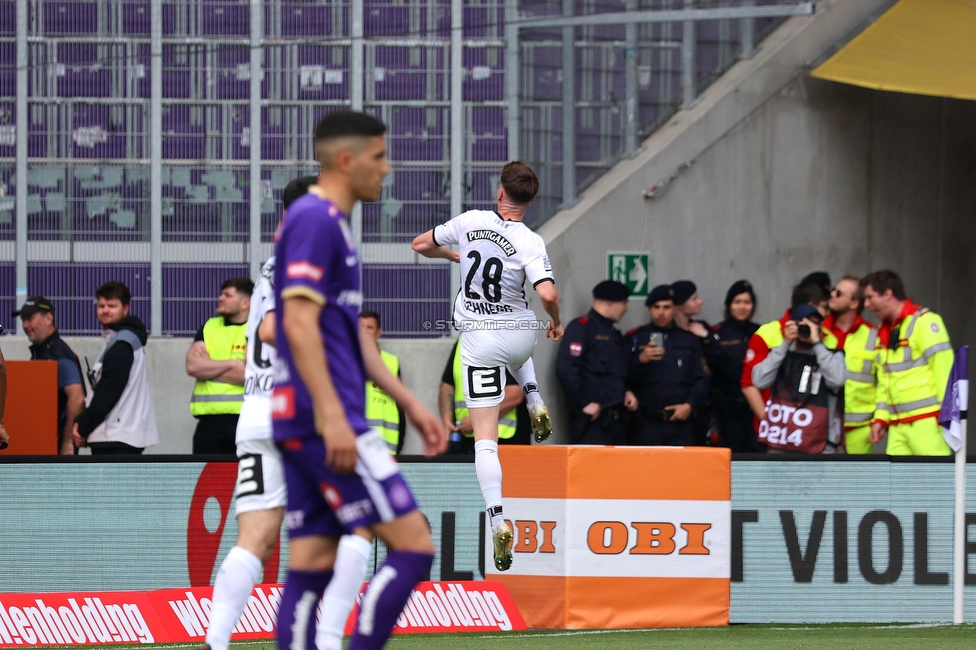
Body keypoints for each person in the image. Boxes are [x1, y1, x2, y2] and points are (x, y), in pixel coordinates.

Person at [271, 110, 446, 650]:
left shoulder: (333, 225)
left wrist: (410, 404)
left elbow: (348, 337)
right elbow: (294, 323)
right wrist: (332, 416)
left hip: (308, 418)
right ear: (346, 160)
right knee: (414, 545)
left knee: (313, 559)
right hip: (325, 420)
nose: (387, 169)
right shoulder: (315, 220)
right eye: (379, 156)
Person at [412, 160, 563, 573]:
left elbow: (419, 245)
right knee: (519, 327)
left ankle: (498, 518)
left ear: (500, 193)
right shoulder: (531, 240)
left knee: (485, 440)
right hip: (520, 335)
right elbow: (546, 292)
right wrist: (556, 319)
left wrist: (453, 254)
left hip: (478, 341)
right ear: (531, 200)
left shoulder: (471, 220)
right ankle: (533, 396)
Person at [862, 269, 953, 456]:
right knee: (897, 484)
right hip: (897, 426)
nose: (867, 305)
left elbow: (945, 369)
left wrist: (947, 416)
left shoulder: (925, 322)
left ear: (887, 294)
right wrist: (881, 418)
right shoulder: (885, 331)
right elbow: (884, 381)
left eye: (870, 298)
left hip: (928, 423)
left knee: (934, 481)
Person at [740, 279, 837, 434]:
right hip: (776, 431)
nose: (827, 313)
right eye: (825, 307)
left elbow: (835, 383)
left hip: (814, 433)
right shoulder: (768, 333)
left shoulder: (828, 338)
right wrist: (772, 426)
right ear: (811, 306)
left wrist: (817, 343)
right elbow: (749, 383)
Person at [72, 281, 158, 455]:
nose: (105, 310)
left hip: (115, 437)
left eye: (112, 306)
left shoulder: (122, 344)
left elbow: (108, 392)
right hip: (122, 435)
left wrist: (83, 426)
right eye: (101, 305)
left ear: (126, 309)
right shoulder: (123, 340)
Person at [751, 303, 846, 453]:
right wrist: (784, 344)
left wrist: (817, 344)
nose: (808, 328)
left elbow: (837, 380)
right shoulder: (781, 354)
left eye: (814, 323)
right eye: (803, 323)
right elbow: (759, 381)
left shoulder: (832, 356)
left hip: (819, 445)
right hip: (782, 443)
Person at [556, 280, 638, 446]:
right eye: (624, 303)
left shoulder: (614, 334)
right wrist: (583, 404)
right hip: (593, 423)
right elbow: (566, 368)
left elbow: (617, 372)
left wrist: (627, 392)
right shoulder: (582, 328)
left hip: (617, 422)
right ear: (609, 302)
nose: (625, 309)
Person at [627, 284, 709, 446]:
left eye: (667, 307)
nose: (661, 313)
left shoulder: (688, 340)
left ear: (675, 309)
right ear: (649, 309)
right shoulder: (635, 339)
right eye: (656, 307)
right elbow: (621, 376)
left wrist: (689, 405)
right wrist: (640, 360)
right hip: (646, 423)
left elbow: (703, 378)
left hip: (681, 424)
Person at [186, 278, 253, 455]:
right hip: (209, 426)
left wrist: (209, 367)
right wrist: (232, 363)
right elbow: (193, 367)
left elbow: (250, 375)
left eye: (227, 295)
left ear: (245, 303)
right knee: (207, 482)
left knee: (245, 481)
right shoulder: (209, 326)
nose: (220, 298)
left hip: (246, 423)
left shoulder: (258, 330)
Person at [15, 296, 86, 455]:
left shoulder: (57, 354)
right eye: (23, 320)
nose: (25, 325)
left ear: (49, 318)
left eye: (30, 319)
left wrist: (68, 444)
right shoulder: (44, 351)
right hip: (43, 445)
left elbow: (77, 397)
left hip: (55, 448)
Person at [439, 334, 531, 454]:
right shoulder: (464, 339)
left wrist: (476, 421)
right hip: (465, 441)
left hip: (503, 442)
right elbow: (447, 385)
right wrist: (447, 421)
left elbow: (515, 393)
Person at [822, 275, 879, 455]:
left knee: (857, 482)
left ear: (854, 304)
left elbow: (886, 381)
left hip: (859, 429)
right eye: (832, 290)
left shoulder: (874, 336)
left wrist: (879, 420)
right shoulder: (818, 332)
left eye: (838, 293)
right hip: (821, 426)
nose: (832, 295)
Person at [671, 280, 726, 445]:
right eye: (694, 298)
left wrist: (707, 338)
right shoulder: (667, 333)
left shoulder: (704, 328)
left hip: (705, 408)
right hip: (676, 409)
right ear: (680, 304)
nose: (699, 301)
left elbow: (723, 363)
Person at [711, 280, 762, 452]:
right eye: (737, 302)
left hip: (755, 408)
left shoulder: (762, 332)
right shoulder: (717, 334)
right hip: (726, 411)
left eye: (747, 302)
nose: (742, 307)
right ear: (729, 305)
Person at [360, 310, 405, 454]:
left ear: (379, 332)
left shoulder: (392, 362)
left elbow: (400, 406)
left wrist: (399, 444)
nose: (365, 332)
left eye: (370, 327)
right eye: (361, 328)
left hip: (386, 449)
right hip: (355, 448)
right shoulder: (345, 362)